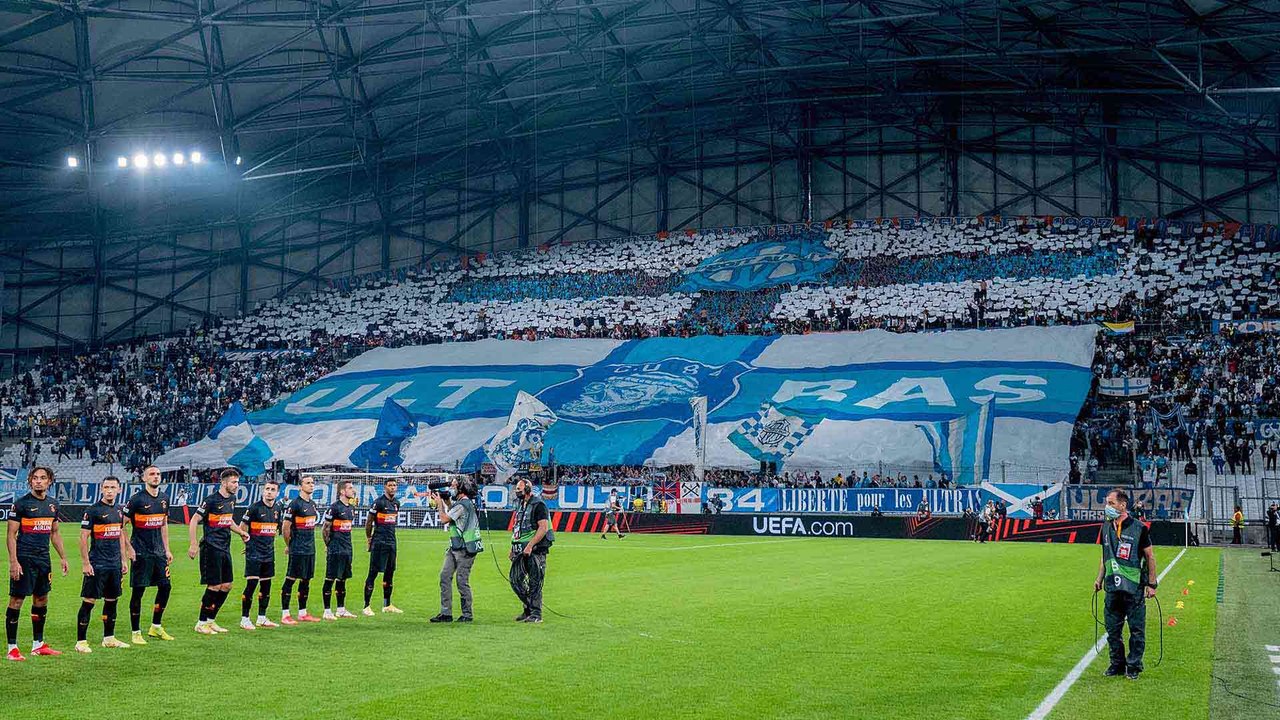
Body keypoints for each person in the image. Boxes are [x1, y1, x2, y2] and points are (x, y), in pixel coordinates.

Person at [1094, 488, 1159, 680]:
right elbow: (1105, 555)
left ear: (1123, 505)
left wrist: (1152, 584)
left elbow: (1150, 557)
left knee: (1136, 630)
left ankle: (1134, 666)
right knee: (1112, 629)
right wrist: (1099, 578)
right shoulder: (1106, 527)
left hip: (1133, 588)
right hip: (1112, 588)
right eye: (1107, 503)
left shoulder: (1139, 528)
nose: (1107, 507)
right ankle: (1117, 664)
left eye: (1111, 503)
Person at [6, 467, 69, 661]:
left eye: (43, 478)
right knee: (17, 600)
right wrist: (14, 561)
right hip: (24, 558)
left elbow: (54, 533)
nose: (39, 481)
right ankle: (12, 648)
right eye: (35, 478)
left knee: (41, 599)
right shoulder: (21, 504)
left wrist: (63, 557)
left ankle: (38, 645)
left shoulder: (52, 504)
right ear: (30, 482)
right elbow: (11, 535)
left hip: (43, 559)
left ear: (49, 481)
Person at [188, 468, 249, 635]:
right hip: (211, 547)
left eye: (237, 482)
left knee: (227, 585)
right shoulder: (211, 500)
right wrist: (193, 544)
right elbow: (194, 520)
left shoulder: (232, 499)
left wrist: (241, 532)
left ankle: (210, 620)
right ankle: (201, 623)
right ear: (223, 483)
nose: (237, 485)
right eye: (233, 482)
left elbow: (228, 521)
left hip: (224, 547)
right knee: (214, 586)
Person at [75, 476, 131, 653]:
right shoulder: (92, 510)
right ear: (101, 489)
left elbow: (120, 534)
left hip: (114, 564)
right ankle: (81, 641)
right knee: (89, 601)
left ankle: (109, 638)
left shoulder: (119, 511)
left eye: (113, 487)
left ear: (119, 490)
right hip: (97, 563)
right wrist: (86, 563)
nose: (109, 490)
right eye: (106, 487)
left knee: (112, 601)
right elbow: (83, 538)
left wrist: (123, 559)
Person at [123, 465, 175, 645]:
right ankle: (135, 632)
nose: (156, 477)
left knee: (166, 587)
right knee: (138, 592)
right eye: (152, 474)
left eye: (158, 474)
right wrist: (129, 548)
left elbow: (163, 524)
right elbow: (121, 525)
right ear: (144, 478)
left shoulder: (164, 499)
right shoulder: (136, 500)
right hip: (141, 553)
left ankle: (156, 626)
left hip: (158, 553)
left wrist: (167, 549)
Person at [430, 477, 482, 624]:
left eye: (453, 486)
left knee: (461, 581)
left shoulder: (463, 505)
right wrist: (447, 502)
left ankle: (467, 614)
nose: (451, 489)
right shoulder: (462, 503)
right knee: (444, 576)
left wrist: (440, 504)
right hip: (456, 546)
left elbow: (445, 519)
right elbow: (454, 512)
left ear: (461, 489)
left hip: (465, 549)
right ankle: (446, 613)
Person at [237, 477, 281, 631]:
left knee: (266, 586)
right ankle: (245, 619)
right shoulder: (254, 508)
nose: (269, 492)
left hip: (269, 553)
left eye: (272, 490)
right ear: (263, 491)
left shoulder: (277, 509)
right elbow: (242, 527)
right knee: (251, 585)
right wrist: (248, 544)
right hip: (254, 553)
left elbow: (275, 530)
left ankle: (262, 617)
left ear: (277, 493)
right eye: (267, 489)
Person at [508, 477, 553, 623]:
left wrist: (530, 545)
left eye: (519, 489)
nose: (517, 492)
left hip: (536, 550)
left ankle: (536, 613)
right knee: (516, 580)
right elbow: (518, 528)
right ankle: (528, 608)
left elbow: (543, 528)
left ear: (527, 489)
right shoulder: (521, 505)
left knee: (535, 581)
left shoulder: (539, 505)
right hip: (520, 549)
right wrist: (513, 547)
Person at [281, 475, 321, 625]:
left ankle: (302, 613)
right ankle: (285, 614)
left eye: (312, 483)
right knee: (291, 579)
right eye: (307, 483)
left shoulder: (312, 504)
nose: (311, 485)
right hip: (297, 548)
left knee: (306, 579)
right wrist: (289, 545)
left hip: (310, 548)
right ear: (300, 486)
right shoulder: (295, 504)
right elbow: (285, 527)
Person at [363, 478, 402, 616]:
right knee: (373, 573)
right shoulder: (378, 503)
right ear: (385, 487)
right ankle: (366, 606)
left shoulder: (397, 503)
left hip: (391, 542)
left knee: (390, 573)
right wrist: (369, 538)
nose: (393, 487)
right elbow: (369, 522)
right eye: (390, 485)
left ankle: (387, 604)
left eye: (395, 485)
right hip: (379, 542)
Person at [321, 480, 359, 620]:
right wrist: (328, 545)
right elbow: (325, 528)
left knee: (343, 579)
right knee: (330, 578)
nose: (353, 490)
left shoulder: (350, 508)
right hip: (335, 548)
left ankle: (341, 609)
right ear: (342, 491)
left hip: (347, 548)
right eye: (350, 488)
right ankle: (326, 610)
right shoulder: (334, 508)